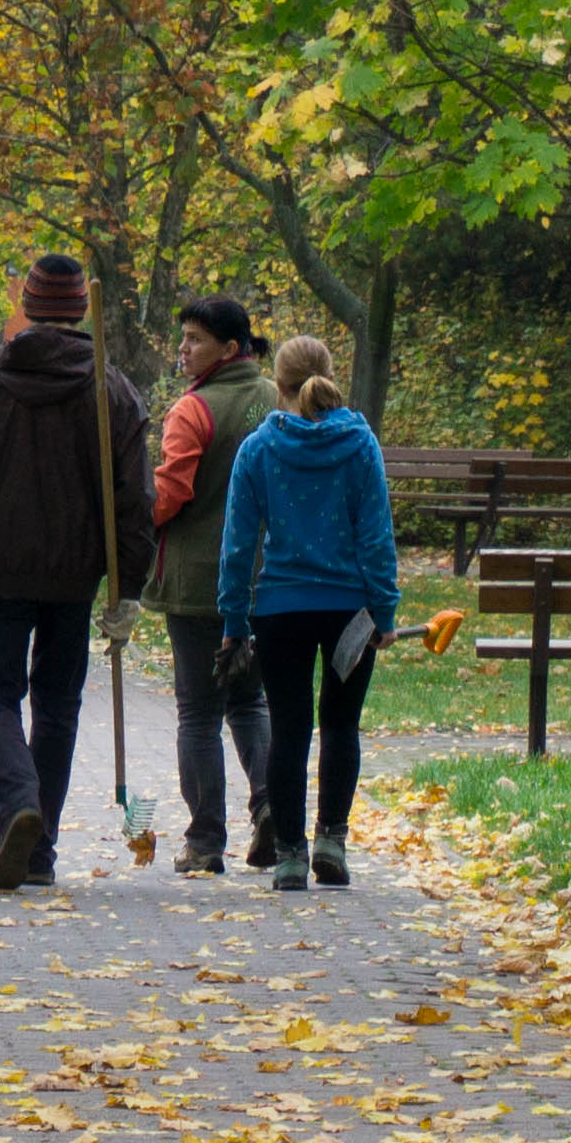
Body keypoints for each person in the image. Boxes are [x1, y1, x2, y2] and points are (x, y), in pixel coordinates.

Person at [0, 251, 154, 892]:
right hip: (75, 577)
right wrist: (129, 588)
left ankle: (21, 805)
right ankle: (40, 849)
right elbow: (135, 500)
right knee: (58, 706)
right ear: (79, 310)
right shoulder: (111, 390)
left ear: (27, 305)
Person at [217, 334, 401, 891]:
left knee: (290, 729)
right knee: (341, 725)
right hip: (349, 611)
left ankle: (291, 856)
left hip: (281, 610)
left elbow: (238, 546)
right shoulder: (359, 444)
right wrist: (384, 610)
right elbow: (375, 535)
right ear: (329, 377)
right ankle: (331, 841)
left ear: (278, 385)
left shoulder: (259, 449)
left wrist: (234, 621)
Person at [142, 295, 277, 878]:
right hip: (266, 580)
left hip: (200, 582)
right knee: (249, 701)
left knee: (198, 712)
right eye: (183, 338)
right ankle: (271, 808)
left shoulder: (192, 410)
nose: (183, 349)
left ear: (229, 348)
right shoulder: (278, 398)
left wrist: (134, 521)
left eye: (195, 339)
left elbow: (171, 493)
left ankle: (204, 841)